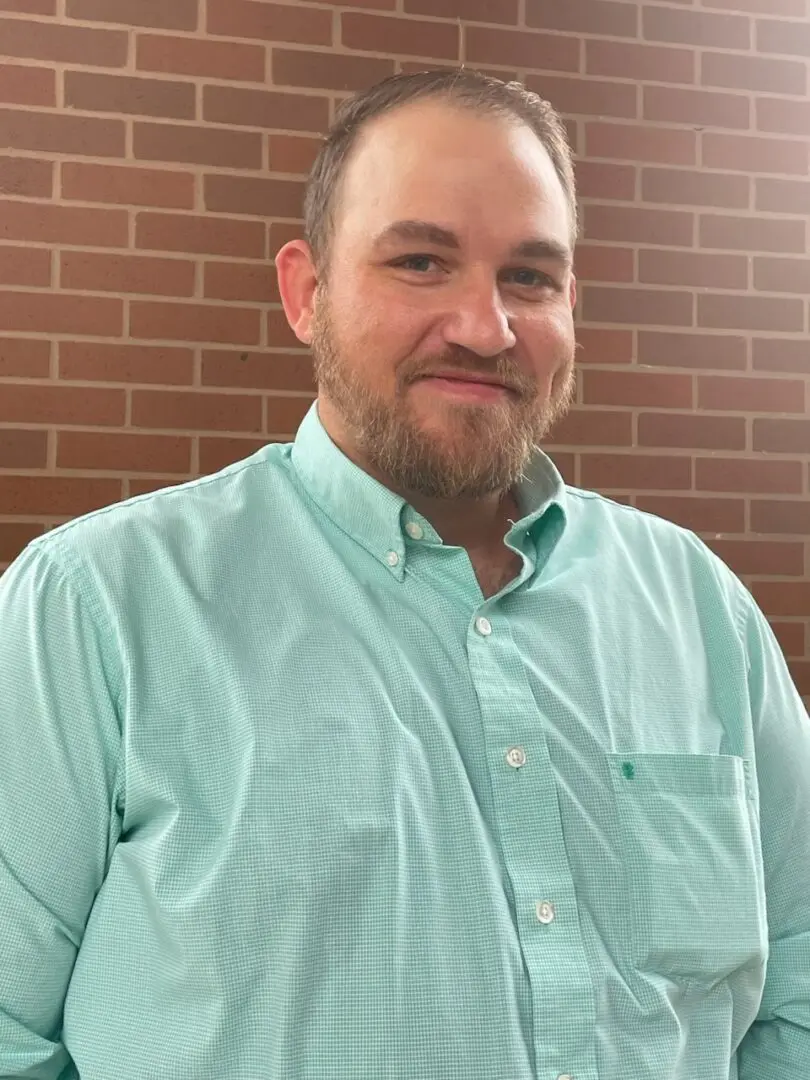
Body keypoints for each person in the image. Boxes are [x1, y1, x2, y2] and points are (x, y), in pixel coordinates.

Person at [0, 70, 808, 1080]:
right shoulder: (96, 607)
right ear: (306, 292)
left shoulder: (697, 610)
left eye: (530, 277)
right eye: (421, 260)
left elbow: (798, 992)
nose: (486, 326)